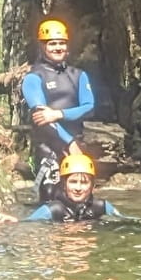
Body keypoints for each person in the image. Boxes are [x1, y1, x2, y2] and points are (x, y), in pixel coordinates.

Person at [21, 19, 96, 202]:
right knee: (51, 200)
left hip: (77, 145)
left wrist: (59, 114)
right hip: (50, 149)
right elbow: (41, 118)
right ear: (42, 46)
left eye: (61, 43)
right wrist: (69, 143)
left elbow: (89, 107)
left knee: (82, 204)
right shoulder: (33, 78)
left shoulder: (78, 75)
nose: (57, 47)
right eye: (52, 43)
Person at [25, 153, 124, 222]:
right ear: (64, 184)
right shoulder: (53, 209)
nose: (78, 188)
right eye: (73, 182)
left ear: (92, 186)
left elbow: (126, 220)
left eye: (84, 182)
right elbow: (25, 224)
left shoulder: (101, 206)